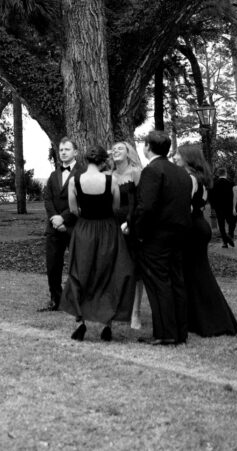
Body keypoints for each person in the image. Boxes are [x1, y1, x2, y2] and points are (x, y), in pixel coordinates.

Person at [60, 145, 134, 342]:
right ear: (103, 162)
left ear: (86, 160)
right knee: (108, 273)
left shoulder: (74, 181)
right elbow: (115, 207)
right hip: (108, 230)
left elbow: (74, 210)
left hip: (84, 230)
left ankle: (81, 323)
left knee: (80, 273)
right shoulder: (112, 180)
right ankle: (107, 325)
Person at [173, 144, 237, 337]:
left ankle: (213, 321)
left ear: (188, 158)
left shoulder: (190, 178)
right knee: (194, 274)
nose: (174, 157)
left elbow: (183, 205)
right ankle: (198, 319)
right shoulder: (200, 178)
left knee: (198, 275)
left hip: (191, 228)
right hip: (198, 226)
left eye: (178, 154)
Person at [133, 130, 192, 346]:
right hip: (179, 235)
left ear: (147, 147)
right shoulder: (181, 173)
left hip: (157, 236)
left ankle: (165, 332)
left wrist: (138, 232)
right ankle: (180, 332)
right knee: (176, 281)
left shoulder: (152, 171)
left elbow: (146, 207)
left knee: (159, 283)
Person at [40, 137, 81, 312]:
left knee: (77, 266)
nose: (63, 152)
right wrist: (55, 219)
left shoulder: (83, 173)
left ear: (76, 152)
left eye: (67, 149)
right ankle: (55, 300)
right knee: (53, 266)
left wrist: (64, 219)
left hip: (74, 226)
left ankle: (76, 301)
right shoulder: (53, 175)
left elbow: (82, 201)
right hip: (53, 228)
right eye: (61, 150)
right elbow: (47, 199)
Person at [110, 140, 145, 330]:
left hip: (131, 225)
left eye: (120, 148)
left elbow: (141, 202)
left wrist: (130, 222)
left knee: (135, 270)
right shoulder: (109, 175)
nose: (116, 150)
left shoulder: (136, 172)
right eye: (113, 149)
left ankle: (136, 313)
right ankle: (119, 308)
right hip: (113, 226)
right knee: (116, 268)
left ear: (128, 152)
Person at [210, 167, 236, 248]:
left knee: (221, 225)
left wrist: (213, 207)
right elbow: (234, 196)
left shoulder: (214, 184)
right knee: (232, 222)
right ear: (225, 173)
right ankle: (230, 235)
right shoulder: (231, 183)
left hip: (218, 207)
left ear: (218, 174)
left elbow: (211, 197)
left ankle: (225, 242)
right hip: (229, 207)